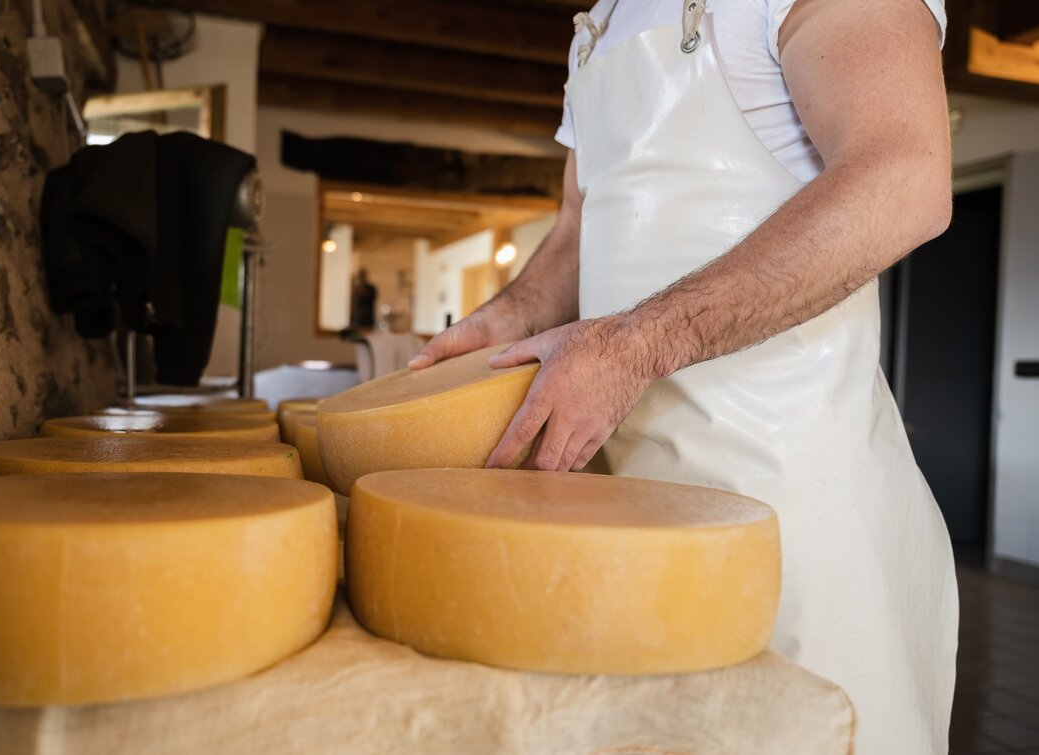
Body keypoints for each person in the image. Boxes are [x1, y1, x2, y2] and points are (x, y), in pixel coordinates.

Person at [408, 1, 958, 752]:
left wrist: (636, 345)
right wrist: (505, 318)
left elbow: (902, 175)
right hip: (625, 515)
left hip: (792, 515)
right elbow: (579, 228)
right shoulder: (601, 20)